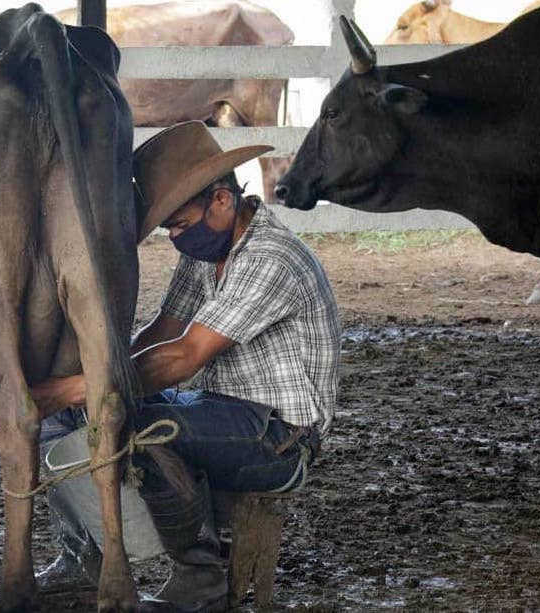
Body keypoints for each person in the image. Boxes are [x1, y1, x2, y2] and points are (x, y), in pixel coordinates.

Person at [31, 121, 342, 611]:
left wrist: (78, 388)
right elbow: (161, 333)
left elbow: (184, 355)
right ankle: (81, 558)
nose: (177, 237)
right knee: (66, 418)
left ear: (222, 200)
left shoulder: (270, 257)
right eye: (169, 228)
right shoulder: (208, 251)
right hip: (223, 410)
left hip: (279, 436)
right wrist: (90, 374)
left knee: (139, 422)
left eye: (180, 224)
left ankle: (202, 577)